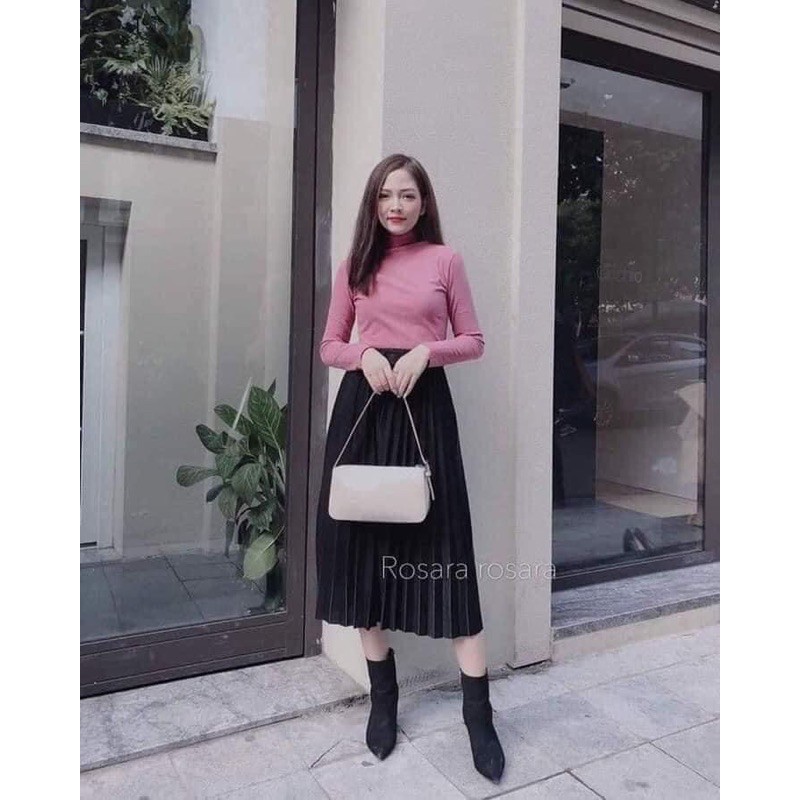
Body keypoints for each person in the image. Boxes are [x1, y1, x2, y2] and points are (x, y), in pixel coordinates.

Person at [315, 153, 505, 783]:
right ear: (373, 204)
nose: (395, 206)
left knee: (447, 554)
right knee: (362, 555)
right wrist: (364, 355)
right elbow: (330, 345)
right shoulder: (355, 265)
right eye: (385, 196)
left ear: (424, 203)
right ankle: (384, 700)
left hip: (424, 414)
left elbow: (474, 340)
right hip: (364, 413)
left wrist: (426, 351)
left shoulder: (445, 261)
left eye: (407, 195)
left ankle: (478, 714)